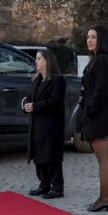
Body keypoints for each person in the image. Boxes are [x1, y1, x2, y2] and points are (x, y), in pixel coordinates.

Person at [80, 24, 108, 212]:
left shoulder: (102, 60)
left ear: (101, 39)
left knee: (102, 157)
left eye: (93, 37)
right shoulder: (98, 58)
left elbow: (101, 91)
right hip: (100, 112)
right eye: (88, 36)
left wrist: (87, 111)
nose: (89, 40)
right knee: (105, 157)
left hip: (99, 114)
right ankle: (106, 198)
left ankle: (104, 199)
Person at [24, 48, 66, 199]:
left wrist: (35, 106)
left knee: (51, 155)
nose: (36, 61)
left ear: (48, 61)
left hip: (51, 124)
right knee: (39, 155)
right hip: (37, 123)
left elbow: (55, 101)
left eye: (39, 58)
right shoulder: (36, 79)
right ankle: (44, 184)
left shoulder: (58, 80)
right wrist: (26, 106)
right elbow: (29, 98)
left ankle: (57, 187)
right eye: (36, 59)